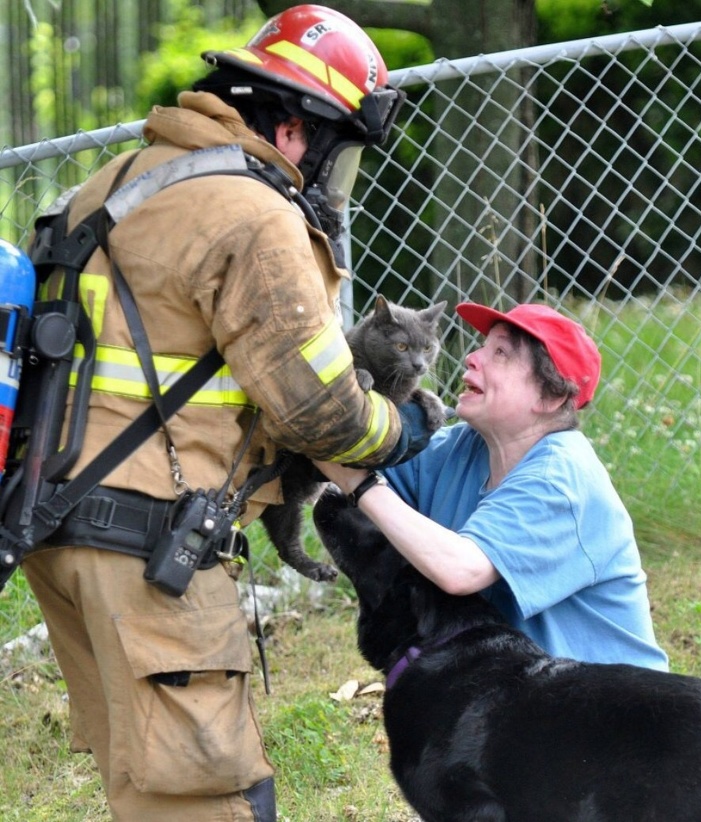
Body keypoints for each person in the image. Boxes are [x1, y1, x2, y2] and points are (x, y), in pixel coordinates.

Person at [17, 6, 433, 821]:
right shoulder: (253, 213)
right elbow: (323, 414)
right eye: (337, 151)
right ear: (294, 131)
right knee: (211, 796)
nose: (330, 179)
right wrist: (405, 430)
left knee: (148, 785)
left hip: (58, 527)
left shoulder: (113, 185)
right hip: (145, 542)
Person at [315, 302, 669, 671]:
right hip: (516, 696)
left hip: (607, 713)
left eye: (500, 353)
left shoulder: (561, 479)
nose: (471, 357)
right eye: (483, 346)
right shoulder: (463, 447)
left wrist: (359, 483)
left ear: (551, 397)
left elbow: (461, 571)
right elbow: (344, 459)